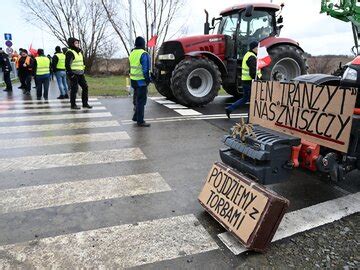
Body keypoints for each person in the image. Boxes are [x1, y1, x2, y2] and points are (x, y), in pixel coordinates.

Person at [225, 41, 261, 119]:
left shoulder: (247, 55)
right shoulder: (252, 57)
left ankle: (229, 109)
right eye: (257, 47)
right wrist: (257, 80)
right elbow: (253, 72)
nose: (258, 49)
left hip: (245, 81)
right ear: (254, 48)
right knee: (253, 100)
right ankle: (250, 119)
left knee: (245, 99)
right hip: (250, 82)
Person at [129, 36, 152, 127]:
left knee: (137, 99)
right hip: (141, 82)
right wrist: (148, 80)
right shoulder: (144, 54)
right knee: (141, 101)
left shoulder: (132, 53)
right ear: (143, 44)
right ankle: (140, 121)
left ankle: (135, 117)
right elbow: (145, 70)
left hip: (133, 81)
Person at [65, 37, 92, 109]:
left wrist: (83, 70)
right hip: (74, 74)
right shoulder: (70, 52)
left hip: (81, 73)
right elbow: (67, 65)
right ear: (72, 44)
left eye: (78, 43)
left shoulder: (80, 52)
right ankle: (73, 105)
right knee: (74, 89)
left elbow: (82, 62)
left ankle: (85, 103)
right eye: (76, 43)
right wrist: (71, 74)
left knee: (85, 87)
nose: (78, 44)